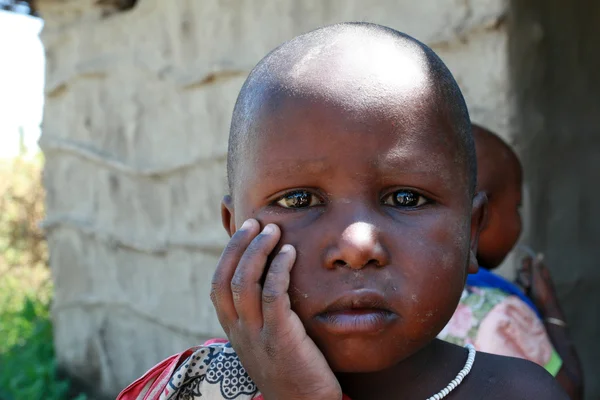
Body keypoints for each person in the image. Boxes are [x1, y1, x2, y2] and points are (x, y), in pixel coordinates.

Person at [117, 23, 567, 400]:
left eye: (405, 198)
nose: (356, 247)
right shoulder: (199, 387)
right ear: (236, 232)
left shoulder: (517, 392)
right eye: (298, 200)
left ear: (471, 234)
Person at [438, 124, 583, 399]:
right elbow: (569, 392)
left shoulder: (411, 299)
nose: (519, 220)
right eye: (516, 206)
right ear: (483, 214)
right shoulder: (504, 313)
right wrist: (551, 308)